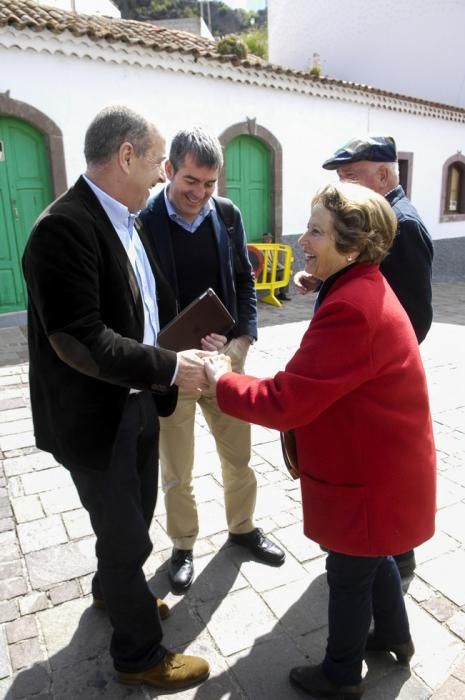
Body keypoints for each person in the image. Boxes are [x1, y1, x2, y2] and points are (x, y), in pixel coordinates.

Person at [204, 182, 436, 699]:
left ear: (351, 247)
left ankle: (340, 674)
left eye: (316, 232)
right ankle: (395, 638)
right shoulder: (359, 284)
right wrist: (323, 279)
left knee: (349, 571)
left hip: (369, 472)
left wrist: (222, 379)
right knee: (372, 555)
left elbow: (287, 399)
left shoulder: (352, 308)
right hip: (382, 460)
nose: (302, 241)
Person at [22, 106, 210, 690]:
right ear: (126, 155)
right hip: (93, 418)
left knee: (133, 522)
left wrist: (184, 335)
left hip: (137, 402)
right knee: (126, 533)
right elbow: (79, 338)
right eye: (157, 162)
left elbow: (141, 308)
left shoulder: (127, 218)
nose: (161, 176)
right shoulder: (64, 228)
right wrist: (172, 366)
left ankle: (115, 592)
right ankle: (138, 656)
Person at [140, 126, 285, 593]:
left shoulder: (227, 215)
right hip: (172, 367)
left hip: (225, 362)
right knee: (176, 469)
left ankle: (242, 528)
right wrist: (161, 357)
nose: (199, 195)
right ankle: (183, 544)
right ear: (168, 170)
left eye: (209, 185)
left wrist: (242, 340)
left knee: (238, 457)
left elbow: (244, 282)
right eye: (190, 182)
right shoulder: (142, 221)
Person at [296, 135, 434, 578]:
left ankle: (397, 562)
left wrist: (375, 366)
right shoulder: (369, 222)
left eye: (351, 177)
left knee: (382, 512)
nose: (344, 188)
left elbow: (413, 315)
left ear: (384, 174)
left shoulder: (402, 224)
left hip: (371, 377)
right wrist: (324, 280)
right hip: (356, 367)